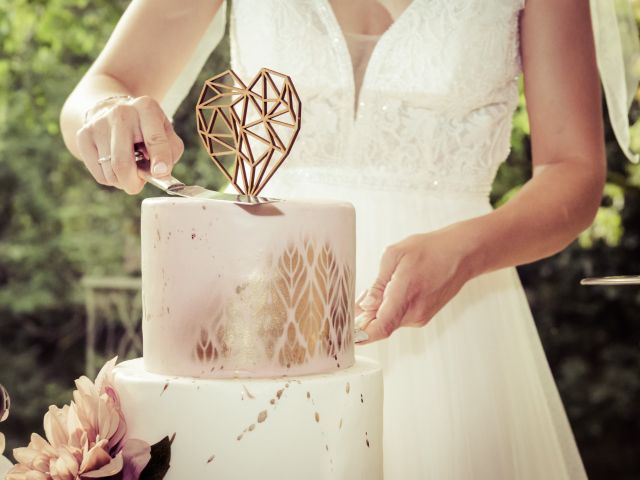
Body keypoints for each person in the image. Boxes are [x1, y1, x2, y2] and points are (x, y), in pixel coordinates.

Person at [61, 0, 605, 477]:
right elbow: (100, 87)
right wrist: (105, 113)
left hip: (460, 318)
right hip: (257, 306)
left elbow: (573, 169)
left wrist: (467, 251)